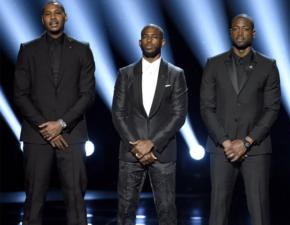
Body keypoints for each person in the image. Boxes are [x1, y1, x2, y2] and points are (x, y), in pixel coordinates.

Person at [13, 1, 95, 224]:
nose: (53, 17)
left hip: (72, 135)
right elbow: (20, 94)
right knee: (34, 200)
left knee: (76, 201)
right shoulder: (27, 49)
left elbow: (88, 94)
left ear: (65, 17)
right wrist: (47, 128)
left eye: (57, 13)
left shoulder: (82, 49)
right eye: (48, 14)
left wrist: (62, 123)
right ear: (42, 19)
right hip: (36, 136)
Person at [200, 14, 280, 225]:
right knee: (218, 212)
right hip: (221, 149)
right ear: (230, 32)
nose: (240, 32)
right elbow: (207, 108)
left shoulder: (268, 65)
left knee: (259, 211)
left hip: (256, 148)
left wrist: (246, 142)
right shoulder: (213, 64)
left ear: (253, 33)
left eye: (245, 29)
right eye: (236, 28)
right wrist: (226, 142)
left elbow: (272, 108)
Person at [112, 24, 188, 225]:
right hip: (131, 152)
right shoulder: (125, 73)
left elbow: (179, 115)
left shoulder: (175, 74)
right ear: (139, 42)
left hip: (162, 152)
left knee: (166, 211)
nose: (149, 40)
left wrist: (152, 143)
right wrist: (136, 146)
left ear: (162, 42)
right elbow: (118, 113)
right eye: (145, 36)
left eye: (154, 37)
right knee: (125, 211)